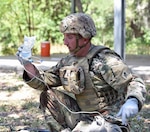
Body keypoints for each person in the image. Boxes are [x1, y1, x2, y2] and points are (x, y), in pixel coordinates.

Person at [16, 13, 146, 132]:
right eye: (64, 37)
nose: (64, 42)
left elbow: (133, 81)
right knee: (49, 95)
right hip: (84, 119)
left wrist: (133, 100)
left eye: (70, 37)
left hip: (108, 122)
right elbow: (43, 82)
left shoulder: (103, 60)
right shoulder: (68, 61)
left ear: (84, 38)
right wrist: (27, 64)